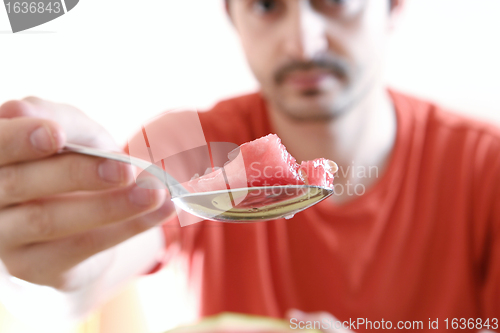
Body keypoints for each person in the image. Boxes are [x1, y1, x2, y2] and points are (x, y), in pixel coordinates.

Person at [0, 0, 499, 332]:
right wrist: (57, 256)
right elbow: (94, 271)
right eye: (265, 4)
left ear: (392, 8)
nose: (303, 42)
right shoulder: (190, 148)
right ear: (233, 16)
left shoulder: (486, 169)